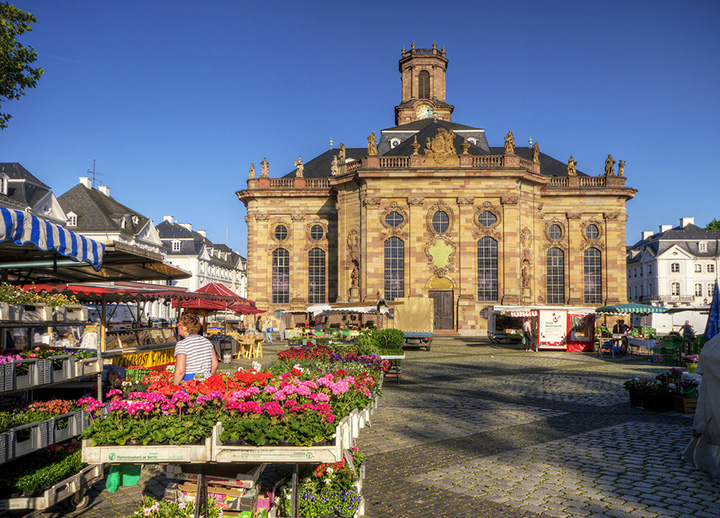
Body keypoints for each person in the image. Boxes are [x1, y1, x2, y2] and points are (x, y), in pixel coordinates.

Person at [173, 313, 218, 385]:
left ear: (185, 328)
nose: (177, 327)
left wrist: (174, 386)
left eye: (178, 325)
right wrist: (208, 376)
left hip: (189, 381)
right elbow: (215, 364)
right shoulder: (207, 342)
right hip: (205, 381)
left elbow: (180, 371)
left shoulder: (182, 344)